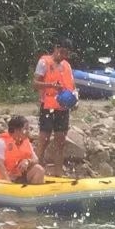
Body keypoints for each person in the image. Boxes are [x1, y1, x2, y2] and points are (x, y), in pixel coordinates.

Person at [34, 37, 76, 174]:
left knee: (60, 141)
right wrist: (50, 86)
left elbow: (72, 87)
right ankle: (36, 170)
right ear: (56, 48)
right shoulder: (44, 62)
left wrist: (75, 99)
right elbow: (35, 84)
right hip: (48, 106)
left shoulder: (67, 66)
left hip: (63, 107)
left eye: (67, 54)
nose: (64, 56)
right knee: (44, 139)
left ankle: (59, 172)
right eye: (62, 52)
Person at [0, 115, 45, 185]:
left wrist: (28, 161)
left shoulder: (26, 141)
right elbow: (0, 166)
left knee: (39, 170)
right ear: (16, 130)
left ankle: (33, 194)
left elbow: (36, 160)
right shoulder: (1, 143)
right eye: (26, 129)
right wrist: (9, 184)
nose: (28, 132)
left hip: (16, 177)